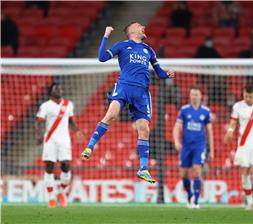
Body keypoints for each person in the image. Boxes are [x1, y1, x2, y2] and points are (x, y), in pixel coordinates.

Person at [81, 22, 175, 184]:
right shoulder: (122, 46)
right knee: (111, 116)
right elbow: (102, 58)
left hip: (142, 93)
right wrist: (106, 36)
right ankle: (89, 146)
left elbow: (159, 73)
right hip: (124, 87)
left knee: (144, 129)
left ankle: (143, 169)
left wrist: (167, 74)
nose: (143, 27)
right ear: (131, 30)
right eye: (139, 26)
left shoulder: (148, 50)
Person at [35, 83, 83, 208]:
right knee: (49, 167)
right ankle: (51, 198)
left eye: (60, 88)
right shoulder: (45, 106)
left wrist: (77, 131)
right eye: (57, 89)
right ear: (51, 91)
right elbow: (39, 122)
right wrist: (40, 135)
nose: (59, 90)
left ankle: (61, 193)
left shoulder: (68, 105)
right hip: (50, 140)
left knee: (66, 165)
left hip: (64, 140)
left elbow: (71, 121)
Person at [224, 85, 253, 210]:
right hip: (243, 144)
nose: (248, 99)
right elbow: (233, 123)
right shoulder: (237, 106)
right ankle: (249, 202)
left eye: (250, 96)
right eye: (246, 96)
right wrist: (230, 131)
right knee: (244, 174)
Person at [173, 86, 214, 209]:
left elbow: (210, 131)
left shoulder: (205, 111)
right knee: (183, 174)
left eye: (197, 94)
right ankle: (190, 195)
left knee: (197, 170)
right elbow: (176, 127)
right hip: (186, 146)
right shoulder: (184, 110)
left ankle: (196, 201)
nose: (194, 96)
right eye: (192, 94)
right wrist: (176, 141)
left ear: (200, 96)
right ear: (190, 96)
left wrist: (212, 150)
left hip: (199, 146)